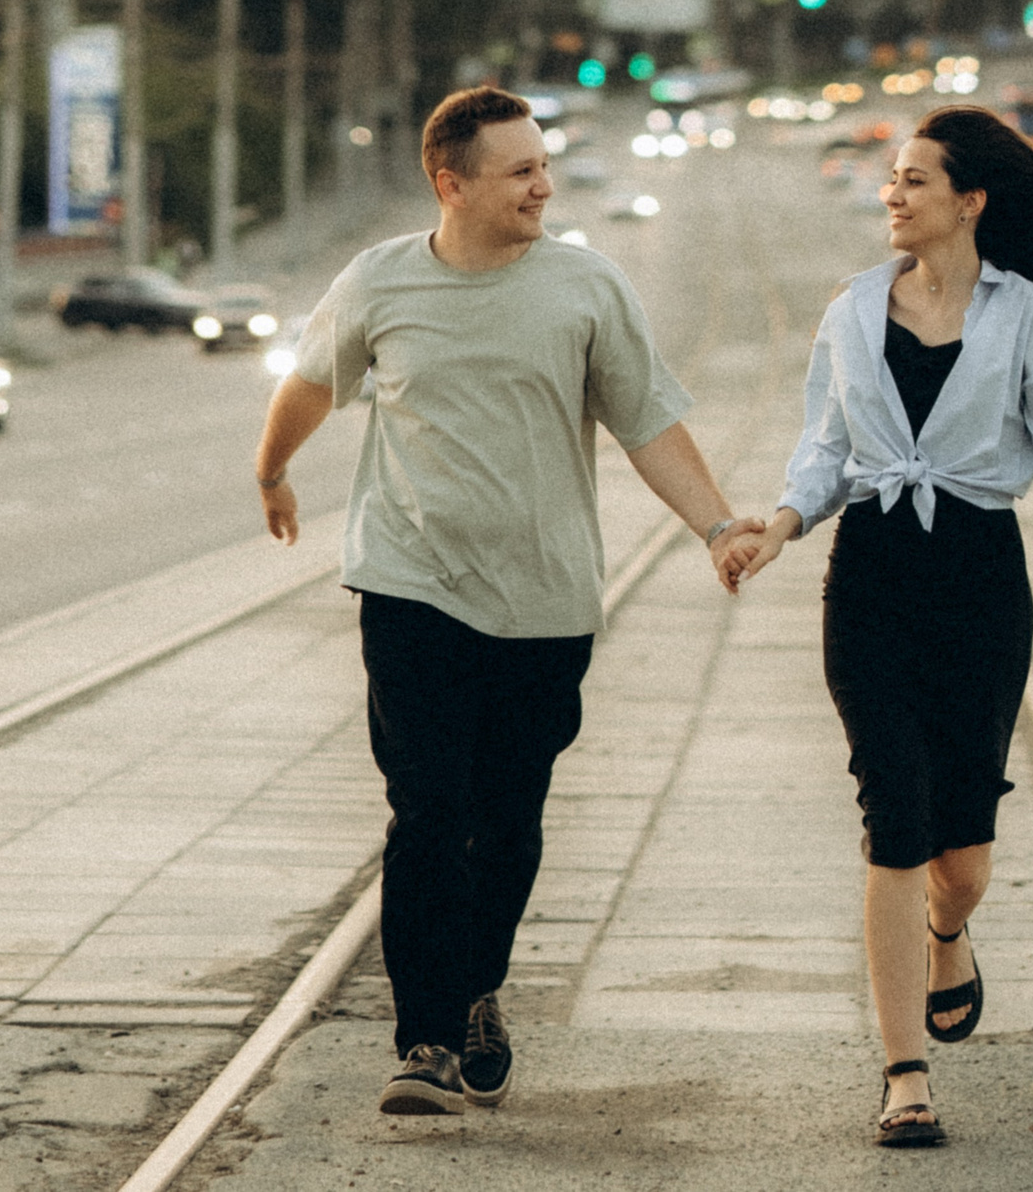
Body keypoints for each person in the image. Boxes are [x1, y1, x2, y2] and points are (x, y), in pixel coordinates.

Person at [254, 85, 762, 1117]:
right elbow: (312, 381)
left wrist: (716, 527)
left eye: (543, 165)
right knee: (427, 811)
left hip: (545, 601)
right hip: (410, 585)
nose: (543, 183)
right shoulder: (378, 283)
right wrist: (272, 470)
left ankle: (478, 985)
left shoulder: (584, 287)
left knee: (509, 819)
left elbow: (646, 424)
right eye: (520, 169)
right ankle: (426, 1038)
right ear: (453, 184)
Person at [723, 103, 1033, 1149]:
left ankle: (949, 931)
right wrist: (781, 526)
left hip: (979, 580)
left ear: (969, 200)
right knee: (892, 817)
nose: (893, 193)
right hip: (872, 576)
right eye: (891, 179)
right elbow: (825, 448)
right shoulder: (849, 312)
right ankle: (903, 1076)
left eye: (914, 180)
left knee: (961, 854)